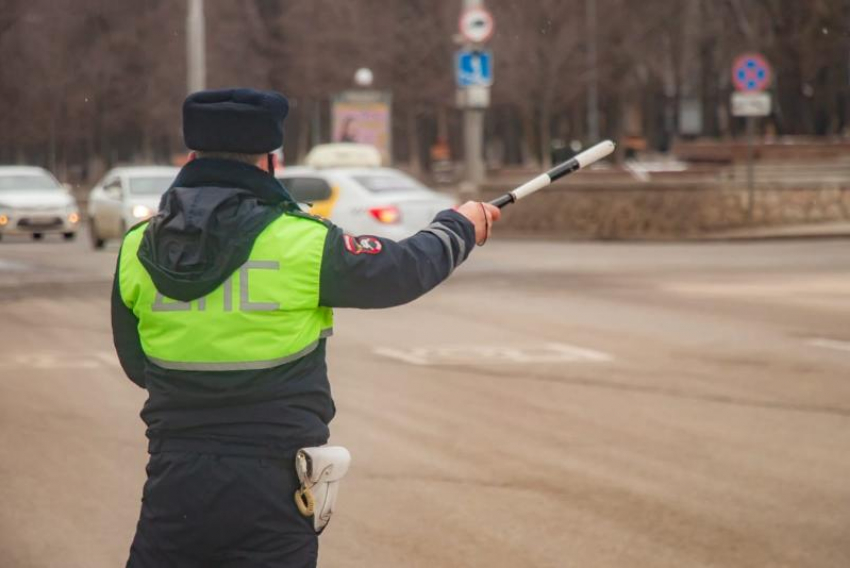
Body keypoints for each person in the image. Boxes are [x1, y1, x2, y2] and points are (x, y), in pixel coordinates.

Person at [112, 87, 500, 568]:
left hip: (174, 481)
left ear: (191, 156)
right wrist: (458, 226)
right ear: (268, 161)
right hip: (271, 487)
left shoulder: (135, 247)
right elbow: (400, 272)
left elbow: (136, 363)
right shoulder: (300, 240)